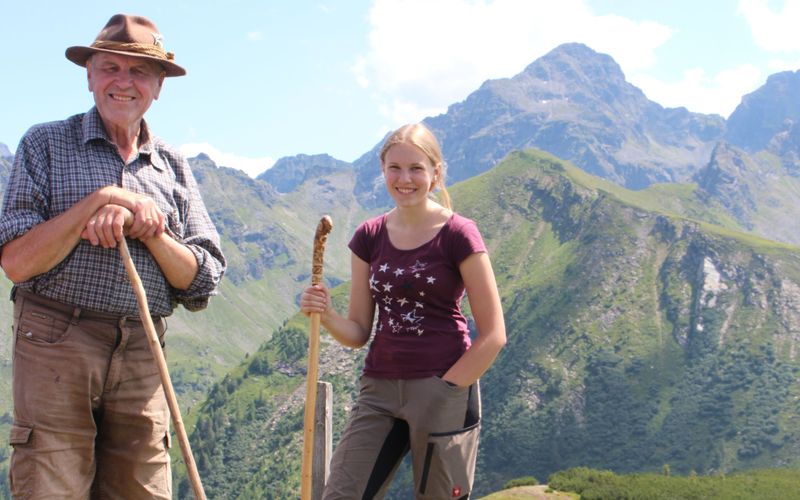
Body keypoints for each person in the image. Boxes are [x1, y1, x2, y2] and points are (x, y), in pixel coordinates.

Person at [0, 14, 225, 499]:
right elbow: (17, 262)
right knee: (50, 483)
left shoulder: (173, 166)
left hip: (142, 349)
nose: (123, 82)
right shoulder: (44, 144)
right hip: (56, 339)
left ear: (159, 86)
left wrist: (152, 231)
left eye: (139, 71)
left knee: (142, 488)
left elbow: (203, 281)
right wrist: (98, 203)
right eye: (110, 68)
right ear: (89, 76)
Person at [300, 123, 506, 499]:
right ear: (382, 171)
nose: (405, 178)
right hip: (378, 389)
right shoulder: (369, 236)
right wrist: (326, 313)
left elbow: (493, 335)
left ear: (435, 173)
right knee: (341, 494)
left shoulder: (459, 234)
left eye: (416, 168)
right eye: (394, 168)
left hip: (442, 385)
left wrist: (448, 388)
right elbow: (360, 331)